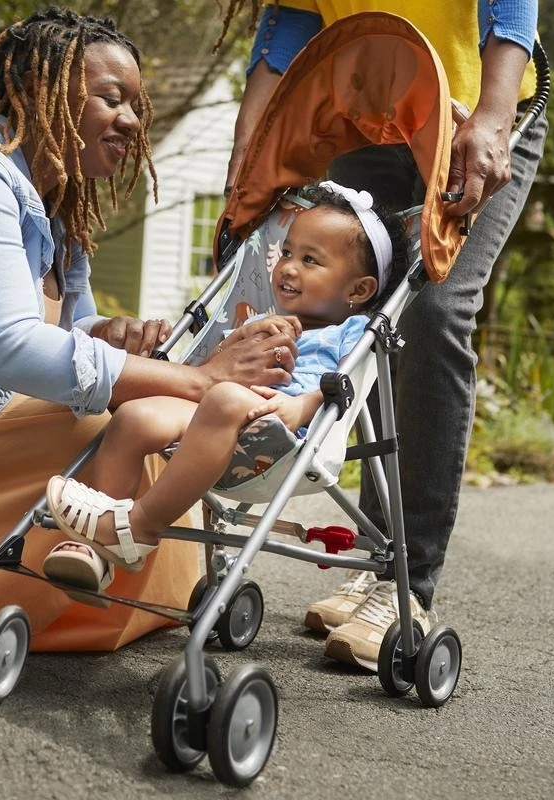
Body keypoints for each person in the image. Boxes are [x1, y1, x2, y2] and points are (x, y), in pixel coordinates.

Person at [0, 8, 299, 653]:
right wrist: (200, 378)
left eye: (138, 105)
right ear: (39, 93)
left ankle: (88, 592)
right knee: (120, 425)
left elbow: (70, 328)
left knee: (149, 413)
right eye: (111, 98)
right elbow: (14, 348)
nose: (131, 120)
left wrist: (110, 334)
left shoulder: (54, 201)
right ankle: (24, 598)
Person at [216, 0, 547, 672]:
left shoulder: (487, 113)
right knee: (349, 314)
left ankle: (409, 588)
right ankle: (377, 569)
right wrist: (250, 153)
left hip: (469, 116)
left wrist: (493, 116)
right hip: (370, 119)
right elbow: (291, 25)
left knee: (430, 312)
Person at [41, 182, 409, 600]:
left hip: (286, 434)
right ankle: (96, 551)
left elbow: (345, 388)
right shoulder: (263, 321)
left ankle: (139, 526)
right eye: (286, 253)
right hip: (216, 416)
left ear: (358, 290)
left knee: (225, 398)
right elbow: (211, 372)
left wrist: (301, 407)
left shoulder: (353, 331)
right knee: (135, 416)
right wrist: (234, 343)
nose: (288, 267)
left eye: (310, 260)